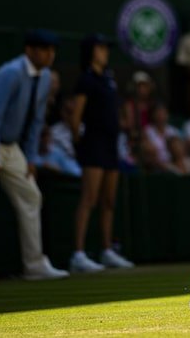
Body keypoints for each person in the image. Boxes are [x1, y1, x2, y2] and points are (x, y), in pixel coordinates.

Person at [0, 29, 69, 283]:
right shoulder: (10, 73)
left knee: (31, 195)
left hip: (9, 145)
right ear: (29, 51)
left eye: (52, 50)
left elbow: (35, 120)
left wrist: (30, 157)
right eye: (43, 49)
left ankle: (34, 264)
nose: (49, 55)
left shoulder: (44, 78)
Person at [68, 33, 135, 273]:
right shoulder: (85, 80)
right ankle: (78, 254)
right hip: (93, 144)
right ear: (91, 52)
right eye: (100, 48)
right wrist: (80, 141)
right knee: (90, 198)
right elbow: (76, 117)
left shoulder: (109, 79)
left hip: (110, 144)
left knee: (108, 201)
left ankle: (106, 251)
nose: (105, 52)